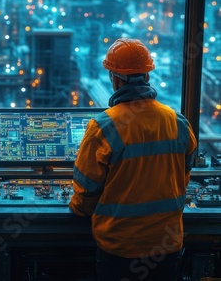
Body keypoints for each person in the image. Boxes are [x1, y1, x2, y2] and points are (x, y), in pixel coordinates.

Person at [69, 38, 197, 281]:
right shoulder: (178, 122)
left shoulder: (103, 126)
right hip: (166, 245)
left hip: (120, 247)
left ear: (115, 79)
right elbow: (184, 175)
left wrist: (77, 209)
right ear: (147, 77)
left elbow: (86, 191)